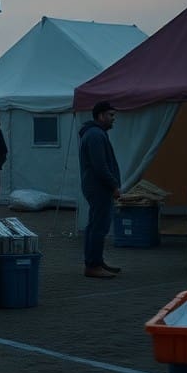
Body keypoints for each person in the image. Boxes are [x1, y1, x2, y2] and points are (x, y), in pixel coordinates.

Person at [78, 100, 123, 279]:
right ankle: (93, 265)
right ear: (100, 115)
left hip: (96, 186)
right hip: (99, 187)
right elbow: (100, 166)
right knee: (99, 226)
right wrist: (113, 186)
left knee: (95, 225)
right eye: (111, 115)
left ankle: (96, 261)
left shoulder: (96, 133)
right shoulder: (96, 135)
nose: (114, 119)